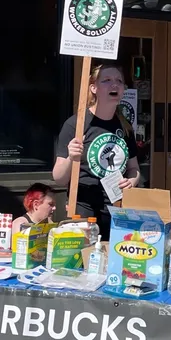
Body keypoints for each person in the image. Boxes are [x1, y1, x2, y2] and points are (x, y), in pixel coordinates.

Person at [53, 62, 140, 241]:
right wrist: (71, 157)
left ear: (123, 89)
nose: (114, 84)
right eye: (106, 80)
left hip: (117, 205)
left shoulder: (125, 127)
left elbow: (134, 168)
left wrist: (132, 181)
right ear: (93, 88)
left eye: (119, 81)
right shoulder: (76, 125)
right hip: (84, 206)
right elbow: (59, 178)